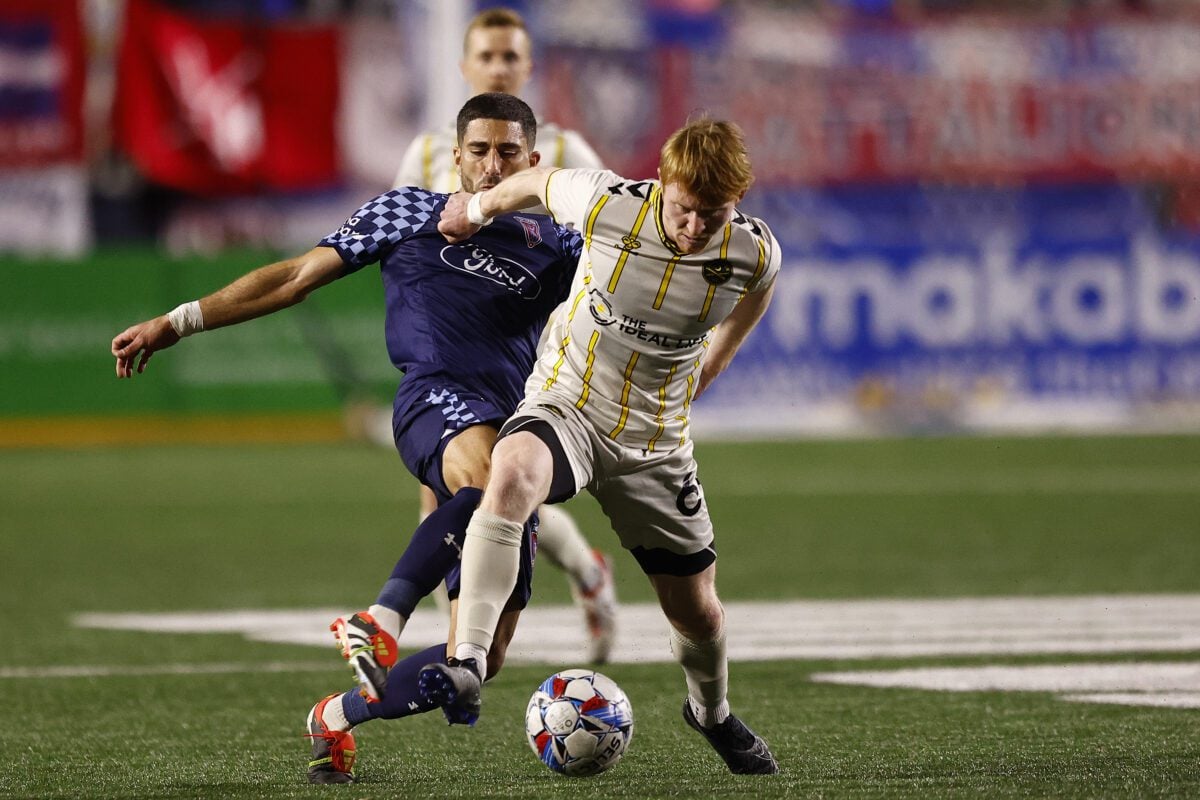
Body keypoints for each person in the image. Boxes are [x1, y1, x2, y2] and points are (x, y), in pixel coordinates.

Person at [111, 93, 583, 784]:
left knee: (476, 660)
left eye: (507, 153)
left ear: (533, 163)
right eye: (478, 150)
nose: (491, 165)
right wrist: (176, 322)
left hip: (513, 428)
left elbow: (630, 278)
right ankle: (381, 619)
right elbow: (297, 276)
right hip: (435, 399)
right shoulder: (408, 211)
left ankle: (334, 718)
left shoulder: (558, 244)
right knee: (488, 485)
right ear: (456, 156)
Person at [418, 117, 782, 774]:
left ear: (737, 205)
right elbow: (532, 182)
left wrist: (713, 364)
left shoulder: (753, 252)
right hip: (570, 406)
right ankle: (467, 657)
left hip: (656, 444)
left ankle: (712, 713)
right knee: (510, 472)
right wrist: (474, 208)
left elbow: (754, 296)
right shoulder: (606, 201)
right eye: (683, 208)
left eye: (712, 214)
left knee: (697, 611)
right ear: (662, 183)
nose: (695, 227)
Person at [351, 6, 617, 664]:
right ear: (465, 67)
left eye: (511, 58)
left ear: (529, 67)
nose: (500, 67)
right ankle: (465, 633)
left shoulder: (565, 152)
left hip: (543, 353)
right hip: (461, 351)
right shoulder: (427, 151)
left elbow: (612, 236)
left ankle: (552, 586)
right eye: (488, 57)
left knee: (495, 488)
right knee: (465, 486)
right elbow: (410, 248)